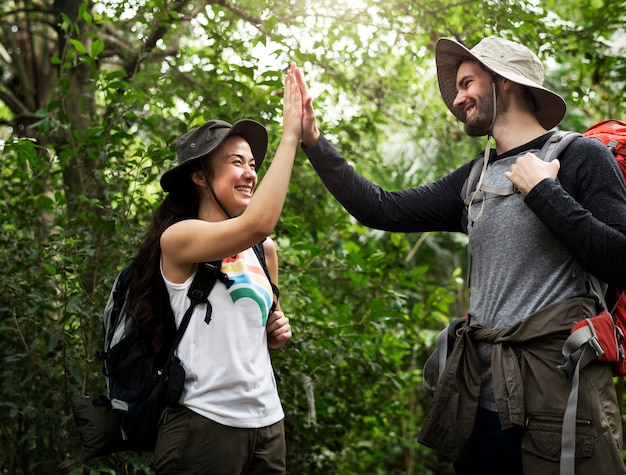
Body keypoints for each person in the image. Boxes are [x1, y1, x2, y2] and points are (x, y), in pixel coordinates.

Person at [294, 37, 626, 473]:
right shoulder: (474, 180)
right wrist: (315, 142)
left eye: (467, 82)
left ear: (504, 81)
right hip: (480, 401)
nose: (457, 97)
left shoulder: (580, 157)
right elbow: (381, 208)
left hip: (556, 400)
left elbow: (619, 259)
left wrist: (543, 191)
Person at [127, 64, 302, 474]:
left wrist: (276, 331)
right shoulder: (179, 239)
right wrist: (290, 134)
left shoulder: (265, 251)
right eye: (236, 162)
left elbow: (258, 331)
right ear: (200, 176)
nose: (250, 173)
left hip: (267, 425)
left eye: (254, 164)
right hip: (202, 425)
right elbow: (257, 222)